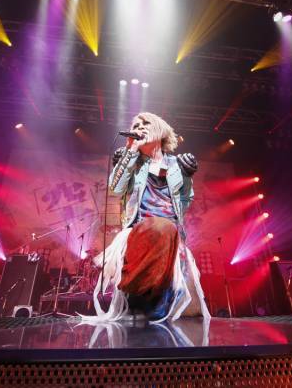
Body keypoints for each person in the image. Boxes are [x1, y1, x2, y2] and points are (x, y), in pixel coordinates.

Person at [81, 112, 210, 323]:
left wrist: (187, 178)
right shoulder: (133, 161)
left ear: (160, 130)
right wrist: (130, 152)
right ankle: (141, 296)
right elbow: (116, 188)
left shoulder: (177, 164)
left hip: (171, 232)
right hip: (140, 227)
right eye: (135, 125)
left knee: (188, 312)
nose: (139, 127)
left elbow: (185, 203)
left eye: (145, 123)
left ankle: (154, 302)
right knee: (159, 227)